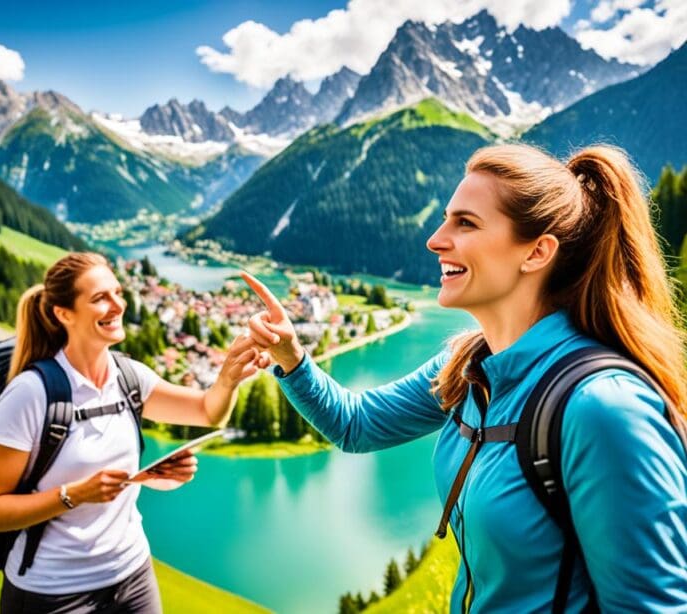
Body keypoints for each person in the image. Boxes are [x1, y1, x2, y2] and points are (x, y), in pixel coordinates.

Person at [241, 144, 687, 612]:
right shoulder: (469, 365)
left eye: (466, 223)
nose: (435, 240)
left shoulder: (603, 409)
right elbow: (356, 425)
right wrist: (290, 355)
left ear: (537, 252)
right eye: (445, 219)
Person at [0, 252, 266, 613]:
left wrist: (228, 378)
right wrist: (74, 494)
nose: (118, 305)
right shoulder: (30, 394)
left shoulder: (128, 378)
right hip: (52, 591)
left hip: (132, 575)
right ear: (64, 314)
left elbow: (207, 411)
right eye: (100, 298)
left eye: (118, 293)